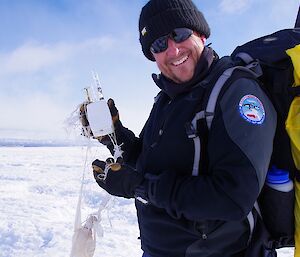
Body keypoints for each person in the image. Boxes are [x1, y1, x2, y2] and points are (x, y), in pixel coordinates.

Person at [91, 0, 277, 256]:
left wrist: (139, 187)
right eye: (159, 44)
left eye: (179, 34)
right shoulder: (167, 99)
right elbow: (146, 162)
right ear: (152, 55)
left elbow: (234, 197)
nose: (173, 49)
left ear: (200, 33)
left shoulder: (235, 91)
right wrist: (113, 135)